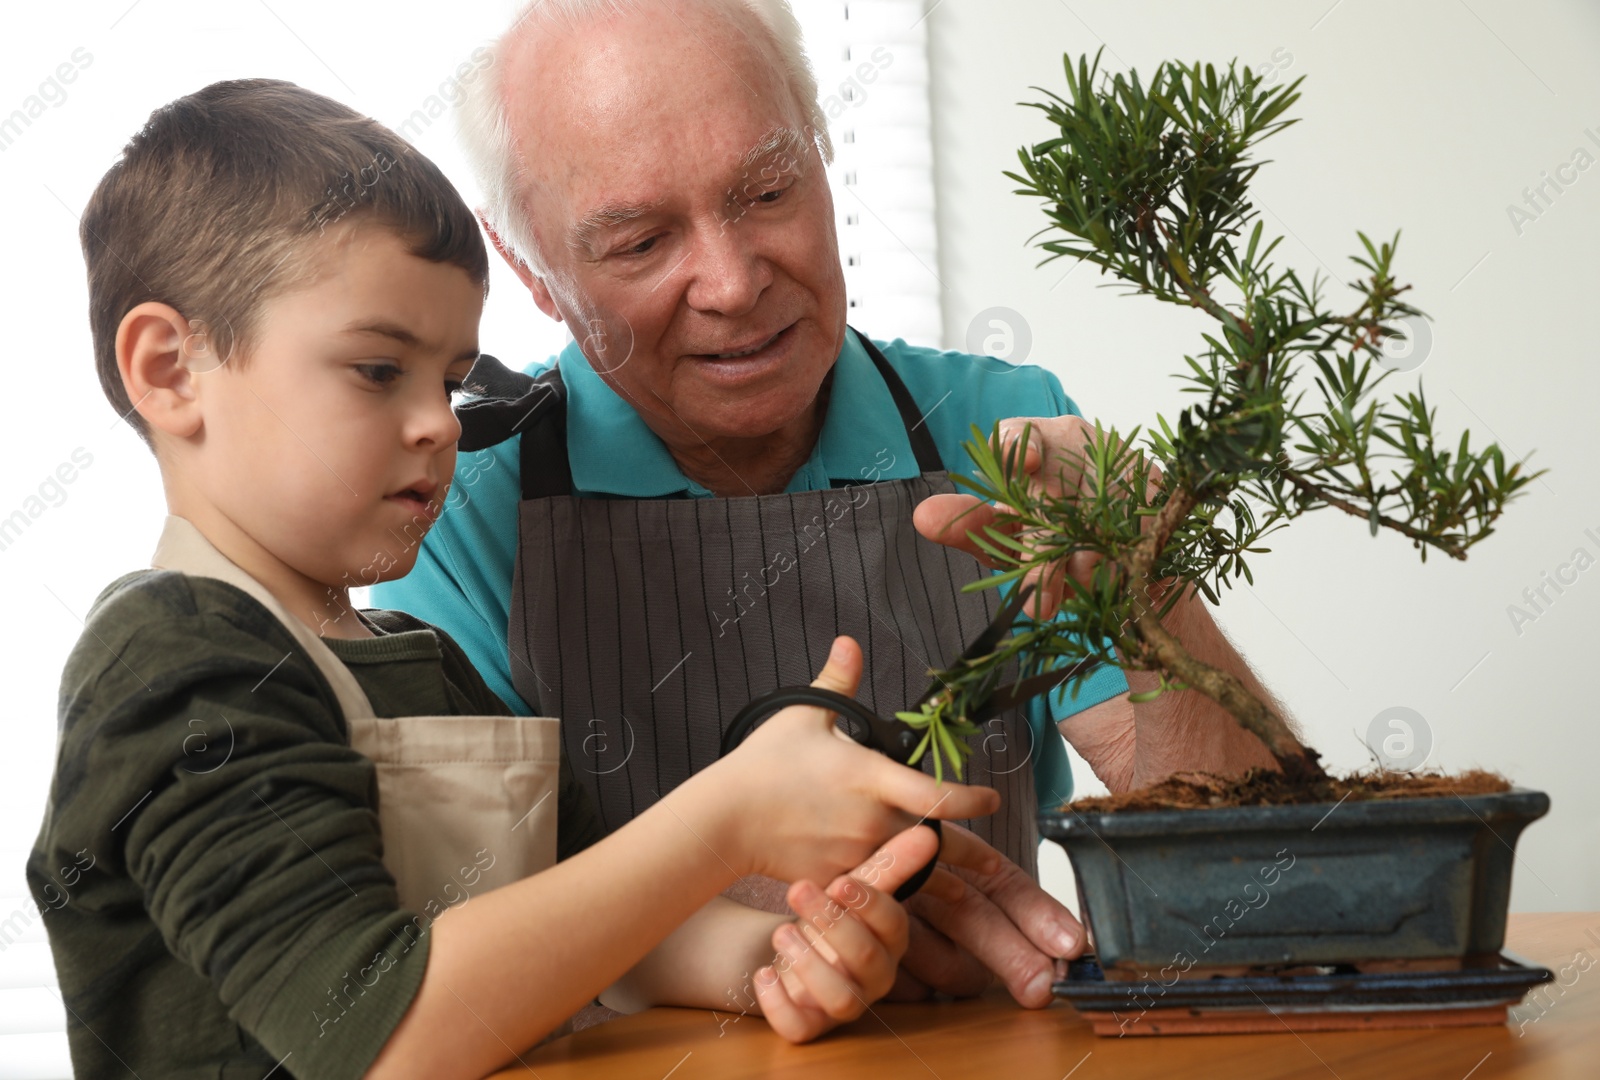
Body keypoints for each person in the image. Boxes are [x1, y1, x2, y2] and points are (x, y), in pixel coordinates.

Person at [27, 78, 1005, 1080]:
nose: (441, 423)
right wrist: (729, 818)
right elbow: (384, 1037)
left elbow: (615, 927)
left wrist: (777, 959)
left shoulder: (423, 661)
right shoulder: (173, 661)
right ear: (168, 367)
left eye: (449, 382)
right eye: (377, 370)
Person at [377, 0, 1282, 1010]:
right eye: (637, 242)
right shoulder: (447, 511)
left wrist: (1150, 586)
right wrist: (795, 925)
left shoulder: (1001, 430)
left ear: (821, 157)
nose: (730, 283)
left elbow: (1250, 887)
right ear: (530, 270)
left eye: (766, 191)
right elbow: (442, 952)